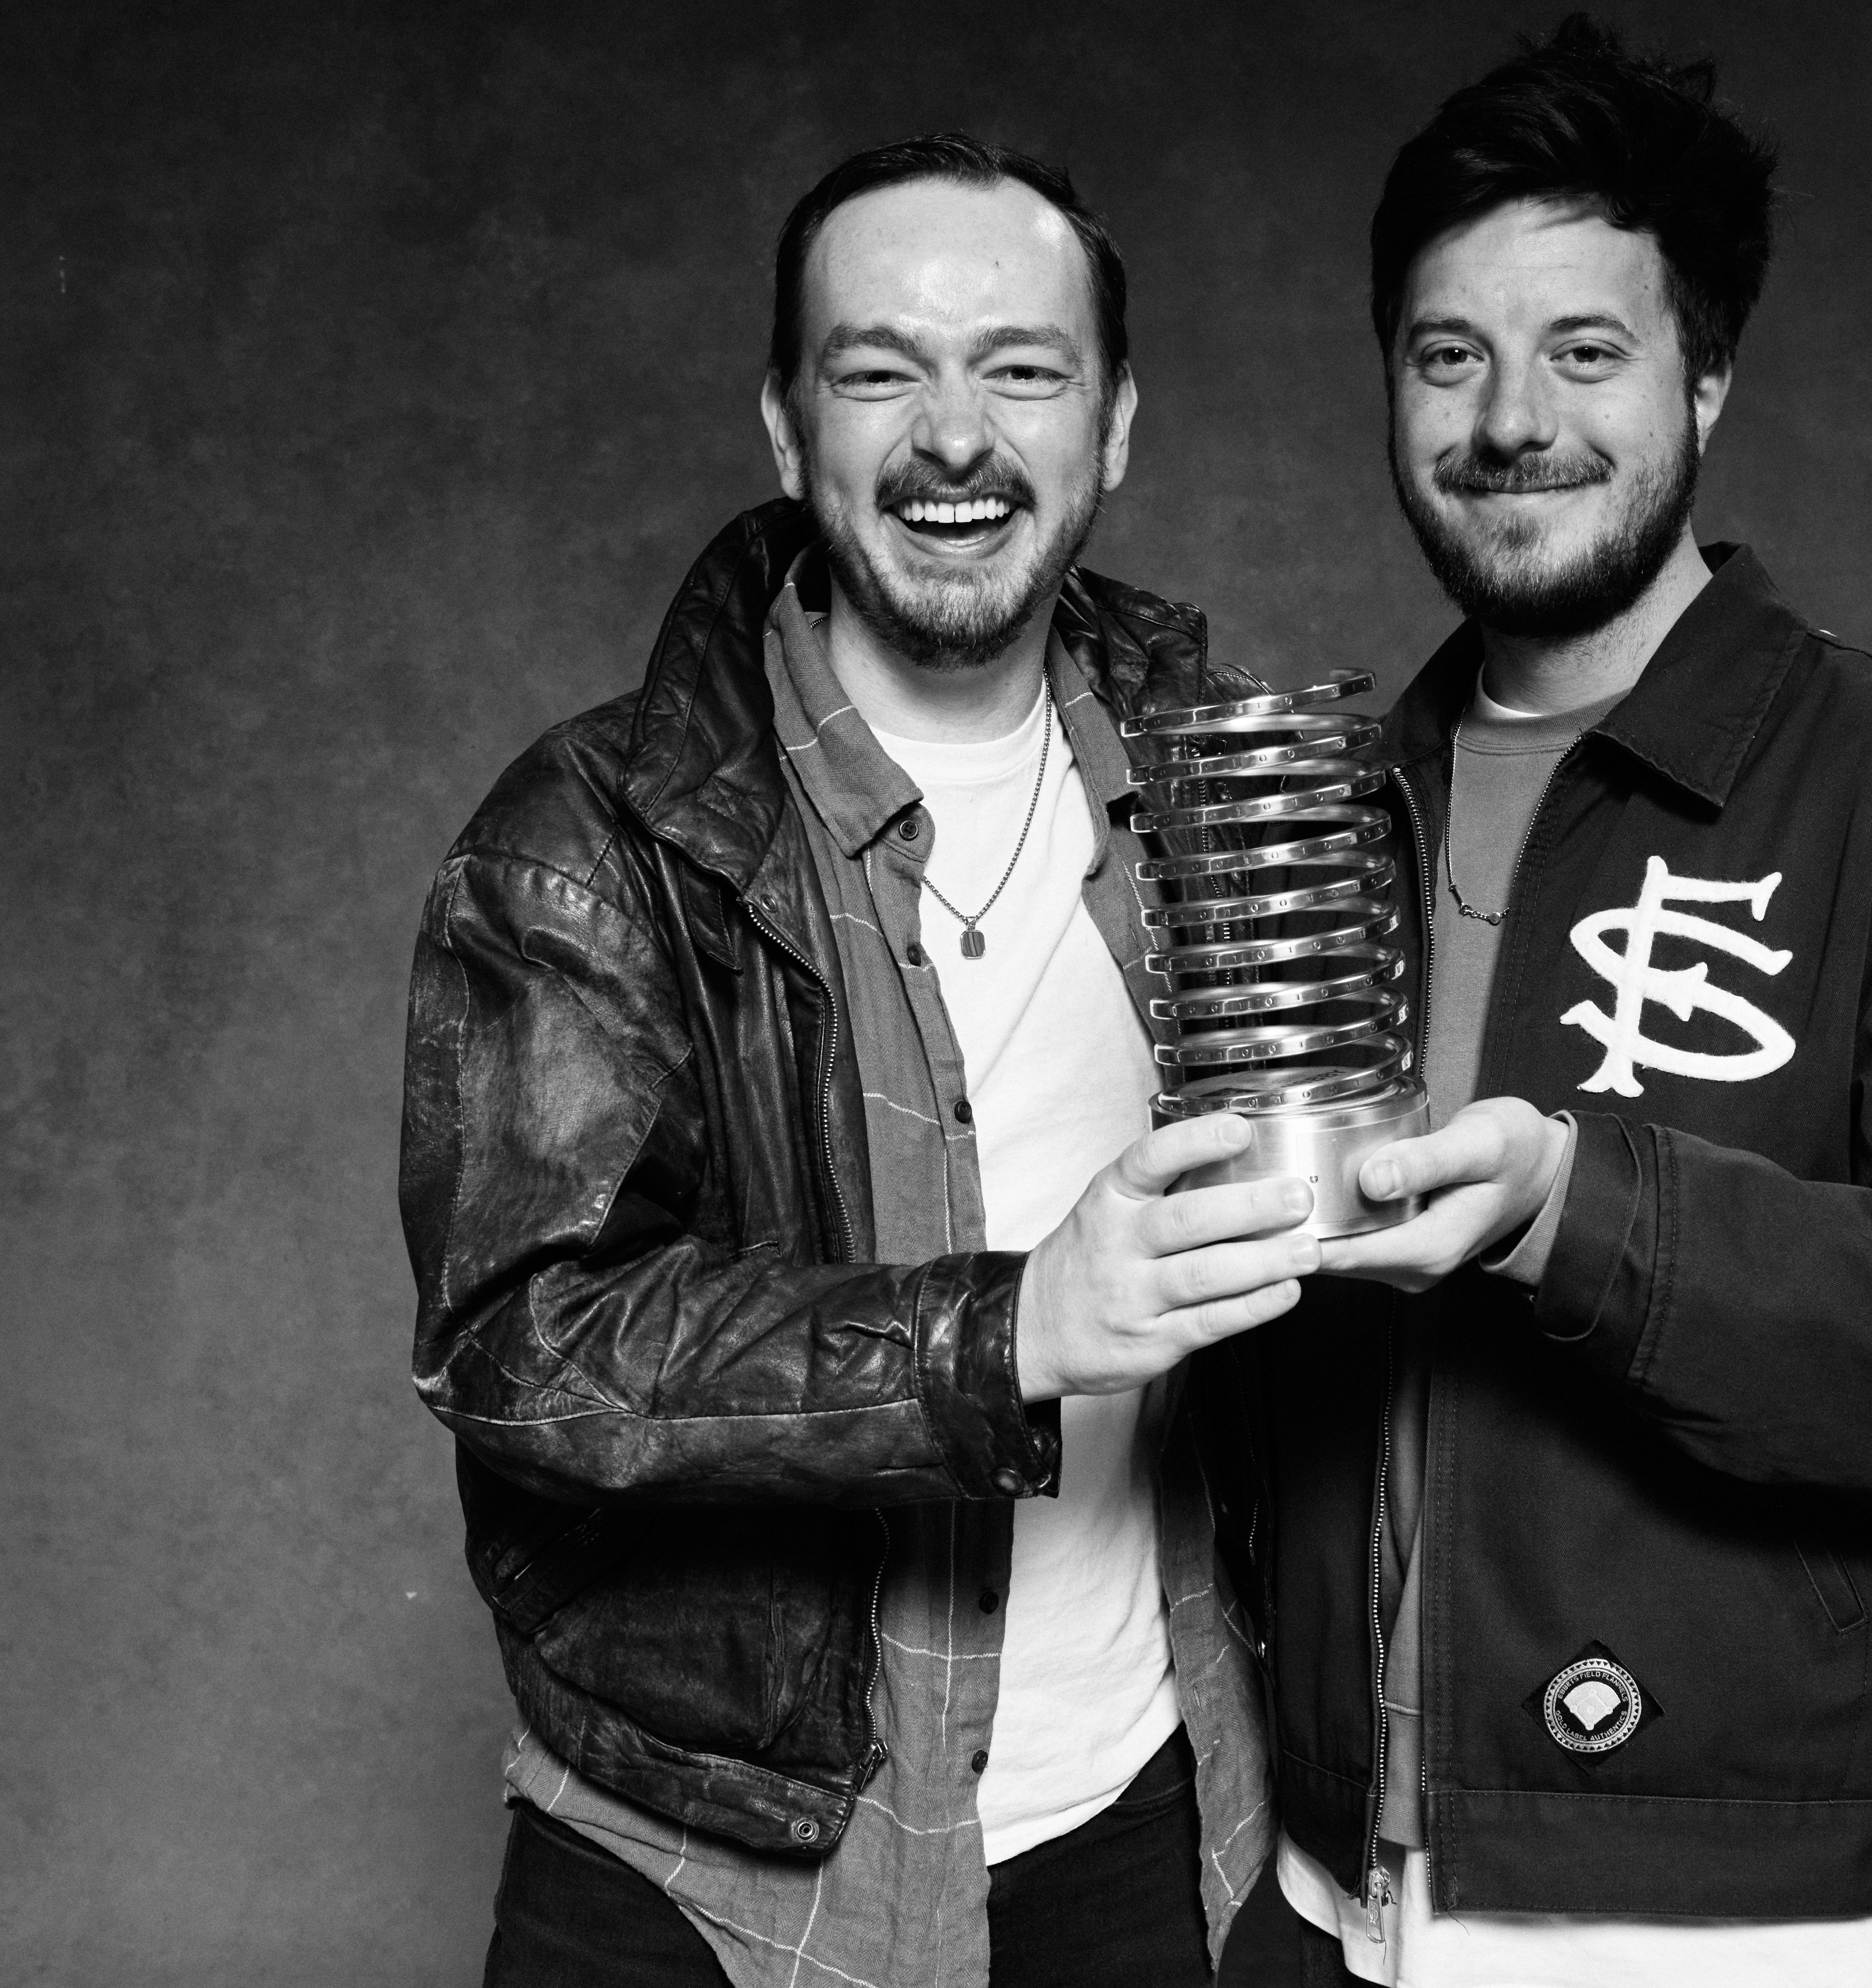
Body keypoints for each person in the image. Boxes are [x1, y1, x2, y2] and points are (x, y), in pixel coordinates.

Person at [1222, 18, 1872, 1988]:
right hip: (1331, 1893)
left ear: (1707, 380)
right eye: (1446, 353)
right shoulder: (1327, 815)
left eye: (1587, 350)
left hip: (1743, 1914)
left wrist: (1582, 1207)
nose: (1509, 421)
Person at [401, 134, 1310, 1988]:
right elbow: (522, 1349)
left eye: (1023, 370)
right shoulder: (596, 834)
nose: (953, 436)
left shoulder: (1233, 798)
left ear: (1115, 425)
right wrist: (1008, 1334)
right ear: (784, 423)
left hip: (1151, 1826)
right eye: (882, 368)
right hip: (706, 1872)